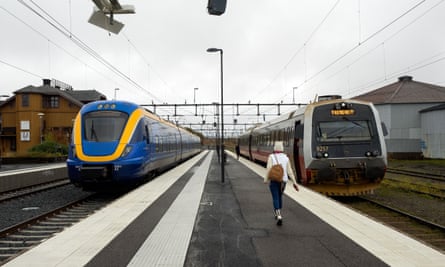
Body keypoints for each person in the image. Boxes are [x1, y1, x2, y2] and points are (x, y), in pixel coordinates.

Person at [264, 141, 299, 226]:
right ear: (282, 148)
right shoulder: (286, 158)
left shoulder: (271, 156)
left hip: (274, 180)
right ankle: (279, 212)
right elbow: (290, 171)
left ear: (275, 148)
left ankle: (278, 214)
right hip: (283, 181)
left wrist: (265, 179)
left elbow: (268, 168)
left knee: (275, 197)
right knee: (280, 196)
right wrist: (295, 183)